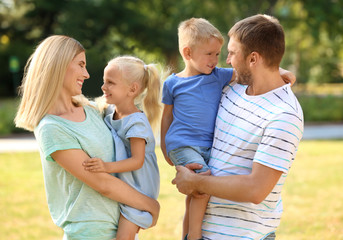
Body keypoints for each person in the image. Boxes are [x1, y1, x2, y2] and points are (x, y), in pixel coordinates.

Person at [161, 18, 296, 240]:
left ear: (253, 58)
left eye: (230, 53)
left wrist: (196, 182)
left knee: (197, 190)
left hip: (243, 235)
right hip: (206, 225)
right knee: (195, 194)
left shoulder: (283, 114)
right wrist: (166, 150)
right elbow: (168, 115)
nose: (224, 60)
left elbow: (256, 189)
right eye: (213, 54)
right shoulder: (231, 88)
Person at [14, 35, 159, 240]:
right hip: (90, 234)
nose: (87, 74)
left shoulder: (91, 110)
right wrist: (150, 205)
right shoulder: (52, 128)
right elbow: (103, 184)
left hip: (120, 227)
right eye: (81, 65)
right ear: (59, 65)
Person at [82, 56, 161, 240]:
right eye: (104, 81)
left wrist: (106, 167)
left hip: (140, 187)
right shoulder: (111, 110)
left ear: (132, 89)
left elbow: (137, 160)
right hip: (127, 183)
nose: (103, 87)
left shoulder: (136, 123)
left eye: (110, 83)